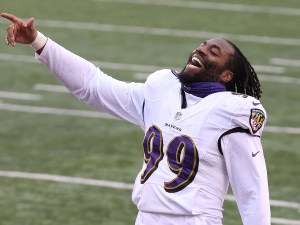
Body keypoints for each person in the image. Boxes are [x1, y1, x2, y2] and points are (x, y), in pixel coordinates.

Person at [1, 13, 271, 225]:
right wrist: (40, 42)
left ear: (226, 76)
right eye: (202, 45)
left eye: (214, 52)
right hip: (145, 217)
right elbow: (93, 86)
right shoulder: (162, 90)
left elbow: (252, 191)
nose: (201, 50)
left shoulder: (232, 111)